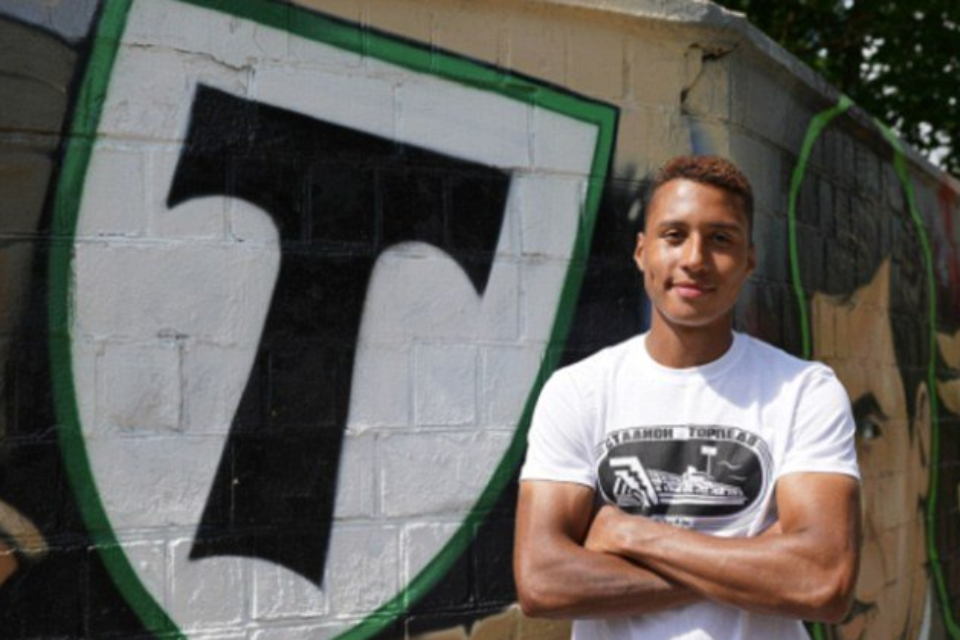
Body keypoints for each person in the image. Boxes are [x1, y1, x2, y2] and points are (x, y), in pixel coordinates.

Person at [513, 155, 861, 639]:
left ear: (749, 259)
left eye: (720, 239)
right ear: (642, 252)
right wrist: (753, 562)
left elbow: (823, 582)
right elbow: (542, 582)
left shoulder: (804, 391)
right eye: (674, 235)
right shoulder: (578, 391)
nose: (695, 259)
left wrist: (629, 534)